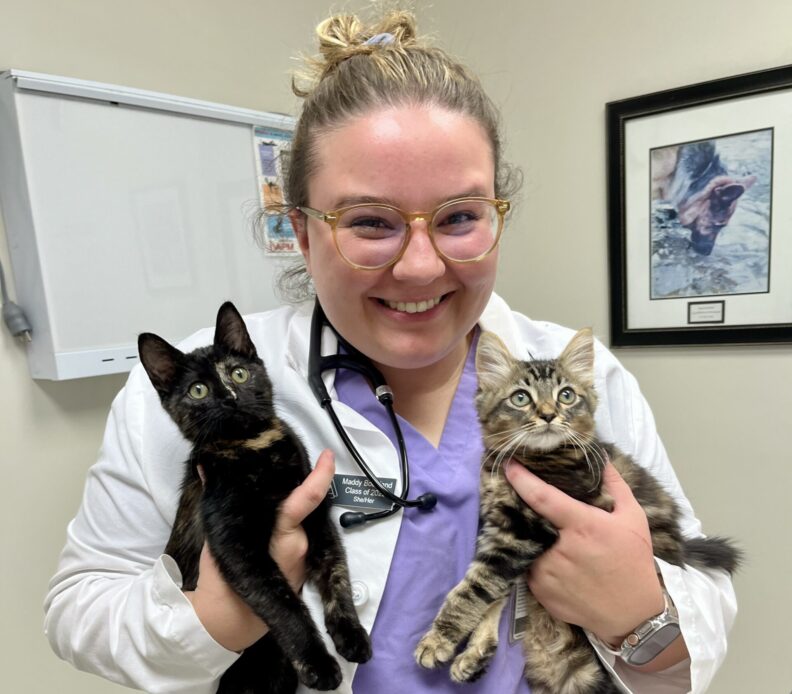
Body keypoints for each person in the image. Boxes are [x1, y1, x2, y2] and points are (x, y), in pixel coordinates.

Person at [44, 9, 736, 694]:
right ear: (304, 234)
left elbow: (696, 608)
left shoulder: (579, 373)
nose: (419, 267)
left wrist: (636, 615)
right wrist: (220, 614)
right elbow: (80, 607)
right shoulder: (201, 394)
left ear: (498, 216)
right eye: (370, 222)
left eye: (459, 217)